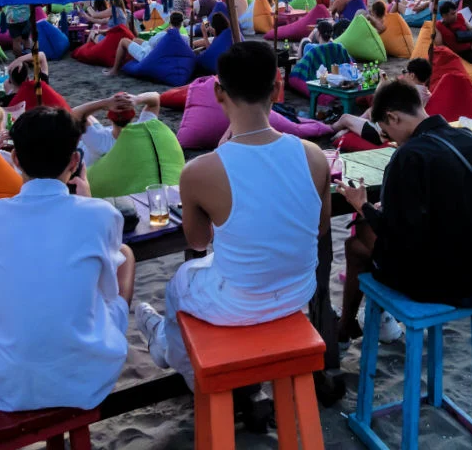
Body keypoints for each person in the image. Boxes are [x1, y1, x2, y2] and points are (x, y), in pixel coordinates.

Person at [134, 42, 331, 389]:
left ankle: (178, 361)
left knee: (179, 282)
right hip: (298, 290)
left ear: (217, 92)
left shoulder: (200, 171)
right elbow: (320, 228)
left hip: (237, 303)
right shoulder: (315, 157)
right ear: (278, 87)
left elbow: (198, 241)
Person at [0, 107, 134, 411]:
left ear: (15, 159)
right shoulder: (100, 214)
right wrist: (87, 202)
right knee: (125, 255)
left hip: (7, 383)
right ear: (74, 161)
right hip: (89, 378)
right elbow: (107, 289)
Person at [335, 80, 472, 347]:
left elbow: (395, 232)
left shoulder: (409, 156)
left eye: (387, 131)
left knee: (357, 241)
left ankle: (348, 327)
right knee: (363, 238)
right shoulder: (468, 139)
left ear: (392, 116)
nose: (390, 139)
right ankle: (363, 323)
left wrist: (363, 205)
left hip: (434, 282)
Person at [332, 59, 432, 147]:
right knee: (367, 111)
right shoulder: (426, 93)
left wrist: (381, 85)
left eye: (404, 71)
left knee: (345, 118)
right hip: (391, 130)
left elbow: (378, 109)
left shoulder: (411, 94)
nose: (403, 74)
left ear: (412, 75)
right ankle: (347, 130)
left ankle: (329, 129)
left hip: (383, 132)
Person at [75, 91, 161, 165]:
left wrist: (105, 103)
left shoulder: (98, 140)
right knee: (88, 120)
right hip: (104, 144)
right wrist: (137, 99)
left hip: (83, 152)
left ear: (109, 116)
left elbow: (75, 113)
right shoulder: (144, 131)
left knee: (83, 118)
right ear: (133, 115)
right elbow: (155, 97)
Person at [107, 11, 185, 76]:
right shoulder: (184, 38)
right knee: (135, 40)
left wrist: (163, 31)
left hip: (147, 56)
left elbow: (151, 42)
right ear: (181, 23)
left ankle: (114, 70)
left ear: (170, 22)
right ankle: (123, 62)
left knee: (123, 41)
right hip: (154, 51)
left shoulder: (163, 34)